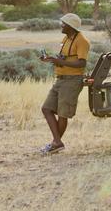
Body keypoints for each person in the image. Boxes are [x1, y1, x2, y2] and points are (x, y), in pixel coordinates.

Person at [39, 13, 90, 154]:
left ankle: (56, 143)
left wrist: (59, 61)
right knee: (46, 109)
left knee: (63, 114)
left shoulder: (82, 41)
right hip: (61, 79)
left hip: (72, 80)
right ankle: (57, 142)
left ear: (71, 26)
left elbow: (82, 62)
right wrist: (50, 59)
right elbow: (64, 58)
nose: (61, 25)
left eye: (63, 24)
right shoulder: (66, 38)